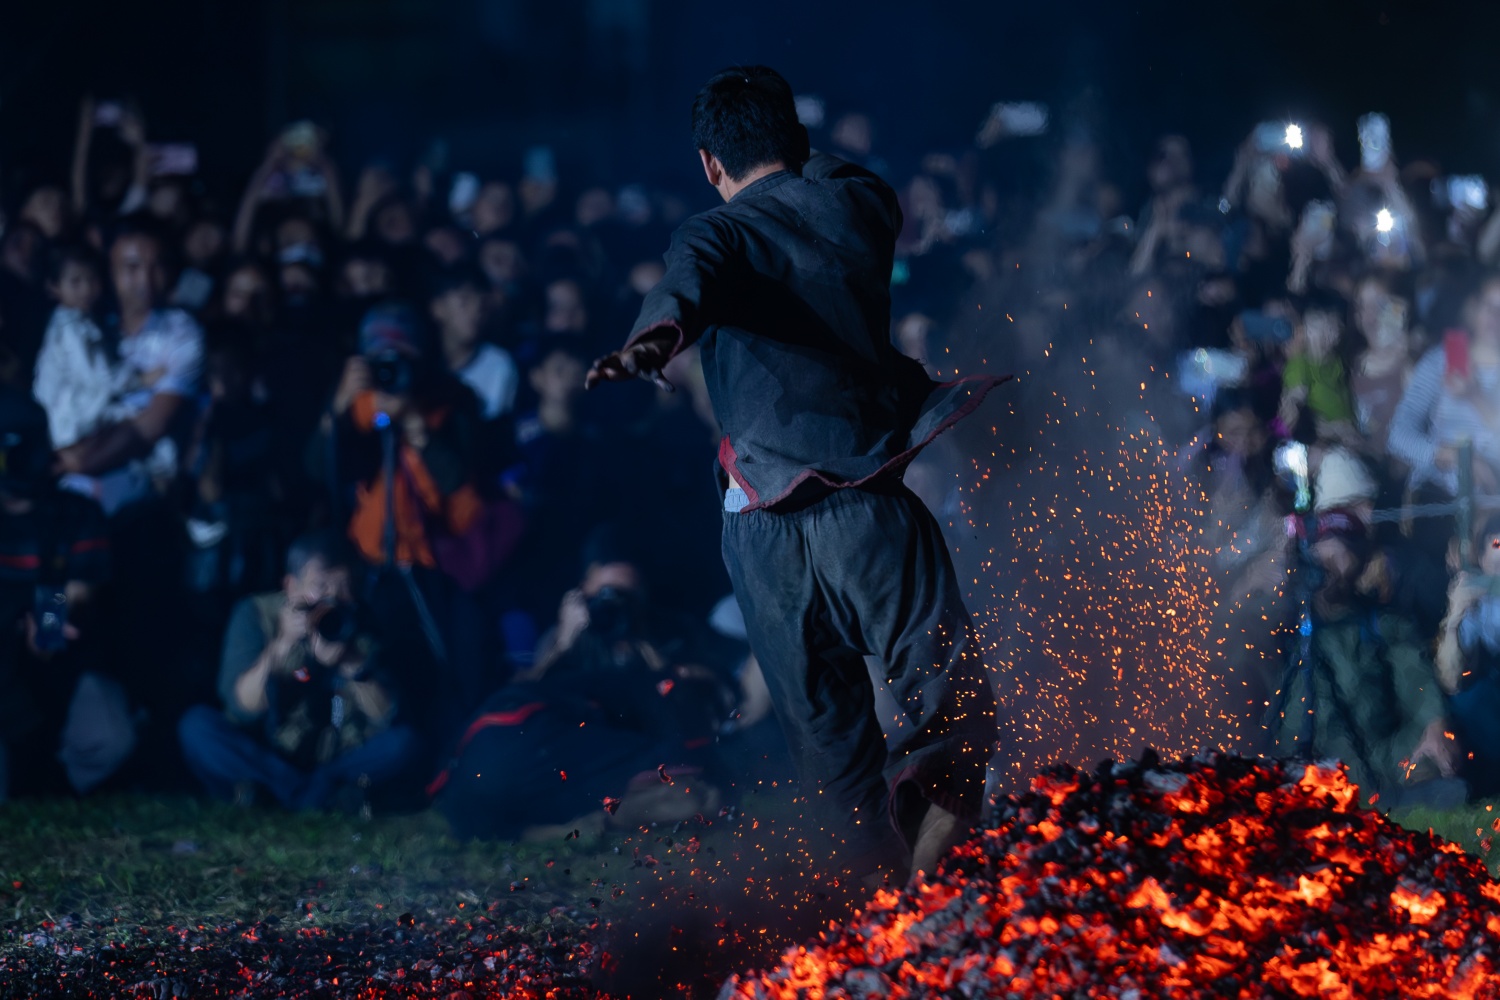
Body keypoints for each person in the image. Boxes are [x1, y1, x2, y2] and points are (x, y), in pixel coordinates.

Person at [586, 66, 1005, 881]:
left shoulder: (715, 232)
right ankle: (930, 901)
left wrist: (652, 343)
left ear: (709, 165)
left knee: (831, 758)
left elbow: (681, 289)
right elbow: (827, 181)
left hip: (759, 536)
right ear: (799, 140)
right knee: (953, 712)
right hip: (868, 516)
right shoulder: (861, 203)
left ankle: (873, 928)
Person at [178, 531, 419, 811]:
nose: (332, 602)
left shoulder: (361, 625)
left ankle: (283, 793)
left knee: (406, 743)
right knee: (196, 727)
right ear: (291, 586)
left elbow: (386, 716)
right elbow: (242, 706)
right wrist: (280, 647)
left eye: (344, 590)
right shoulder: (255, 613)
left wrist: (351, 663)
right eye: (320, 587)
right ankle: (315, 795)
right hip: (269, 751)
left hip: (337, 754)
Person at [0, 388, 123, 799]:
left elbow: (80, 597)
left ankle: (53, 782)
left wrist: (48, 625)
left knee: (109, 738)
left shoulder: (76, 514)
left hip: (57, 671)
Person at [32, 245, 111, 450]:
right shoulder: (68, 328)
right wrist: (139, 379)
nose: (86, 289)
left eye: (92, 280)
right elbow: (95, 380)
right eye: (75, 282)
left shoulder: (82, 320)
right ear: (54, 287)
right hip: (68, 427)